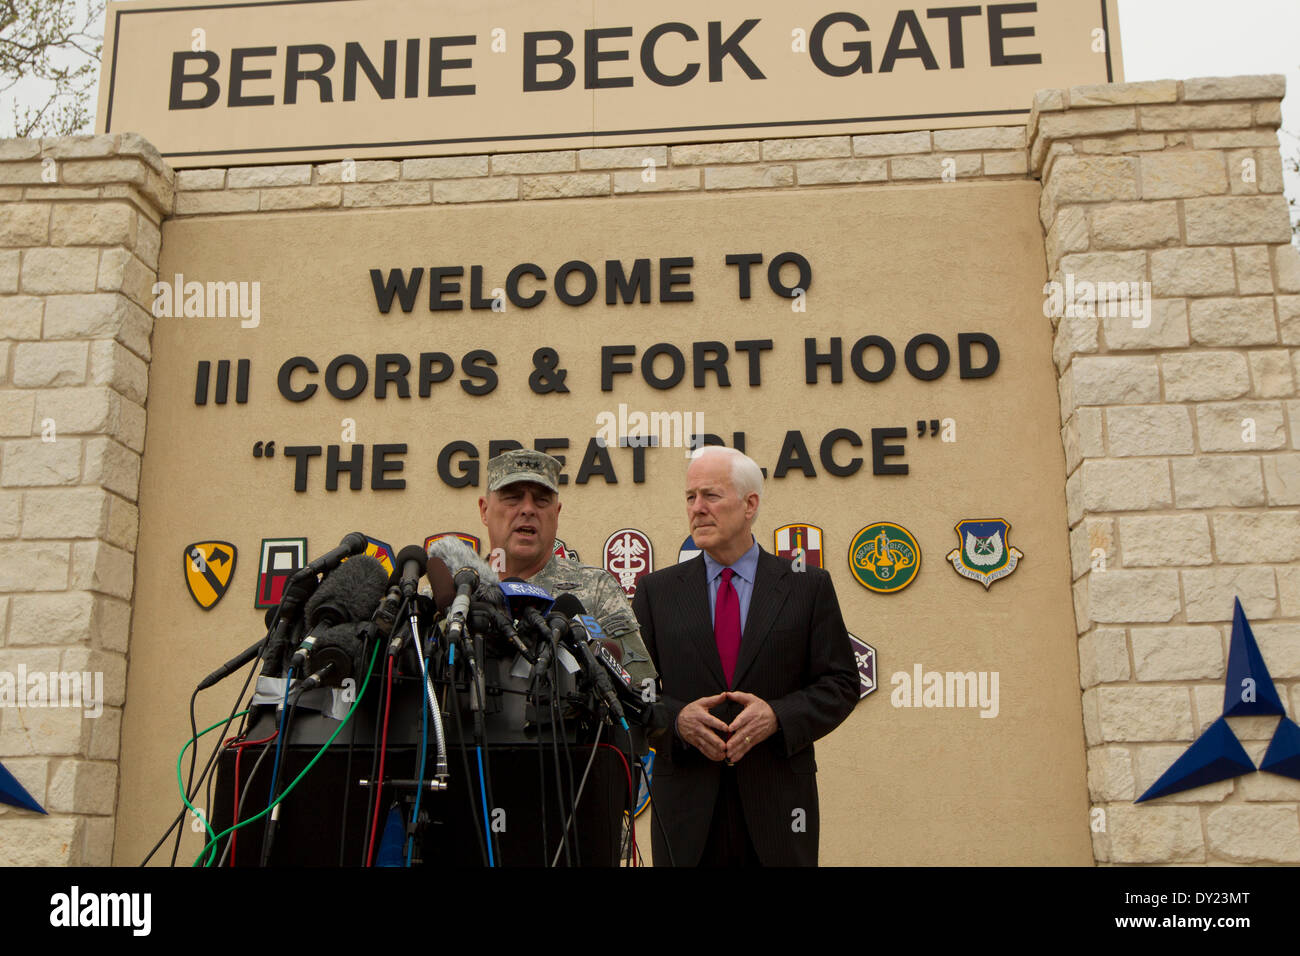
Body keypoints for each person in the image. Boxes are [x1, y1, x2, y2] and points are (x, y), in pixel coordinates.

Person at [631, 446, 858, 866]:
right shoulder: (656, 592)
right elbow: (631, 693)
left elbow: (841, 684)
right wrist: (678, 720)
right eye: (690, 497)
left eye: (710, 496)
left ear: (750, 504)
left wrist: (778, 715)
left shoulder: (807, 586)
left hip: (779, 808)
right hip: (686, 810)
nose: (697, 509)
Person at [478, 448, 656, 687]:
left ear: (557, 513)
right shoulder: (460, 595)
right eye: (513, 497)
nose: (528, 509)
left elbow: (642, 688)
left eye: (541, 500)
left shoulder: (596, 589)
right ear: (484, 510)